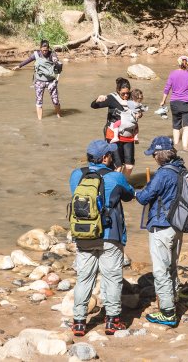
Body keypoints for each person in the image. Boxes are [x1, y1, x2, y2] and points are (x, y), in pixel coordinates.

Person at [69, 140, 135, 337]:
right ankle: (112, 320)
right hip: (110, 235)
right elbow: (129, 195)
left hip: (84, 234)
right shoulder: (115, 177)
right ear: (105, 158)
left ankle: (79, 322)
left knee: (84, 278)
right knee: (112, 278)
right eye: (110, 155)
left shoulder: (76, 175)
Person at [135, 136, 186, 326]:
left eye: (154, 154)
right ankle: (174, 297)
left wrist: (136, 193)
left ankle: (167, 313)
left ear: (159, 155)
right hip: (178, 225)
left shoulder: (163, 174)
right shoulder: (181, 168)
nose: (153, 157)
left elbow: (144, 198)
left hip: (162, 226)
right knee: (172, 265)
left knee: (160, 270)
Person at [91, 78, 135, 176]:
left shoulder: (132, 99)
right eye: (123, 93)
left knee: (129, 166)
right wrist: (97, 100)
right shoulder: (111, 98)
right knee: (117, 166)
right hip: (112, 135)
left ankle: (123, 184)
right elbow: (93, 106)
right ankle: (114, 185)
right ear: (118, 91)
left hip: (128, 135)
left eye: (128, 93)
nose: (126, 96)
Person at [12, 40, 63, 120]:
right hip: (39, 81)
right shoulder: (36, 54)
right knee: (39, 101)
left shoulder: (52, 54)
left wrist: (57, 63)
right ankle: (40, 120)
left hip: (51, 81)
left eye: (46, 50)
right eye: (43, 50)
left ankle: (59, 117)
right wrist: (19, 66)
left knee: (55, 100)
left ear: (48, 49)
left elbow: (56, 61)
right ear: (40, 49)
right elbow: (28, 60)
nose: (44, 52)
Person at [159, 56, 188, 151]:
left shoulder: (173, 74)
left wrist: (163, 100)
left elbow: (167, 88)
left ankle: (175, 146)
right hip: (187, 103)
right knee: (187, 126)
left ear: (178, 63)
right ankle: (185, 147)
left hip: (174, 103)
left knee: (176, 126)